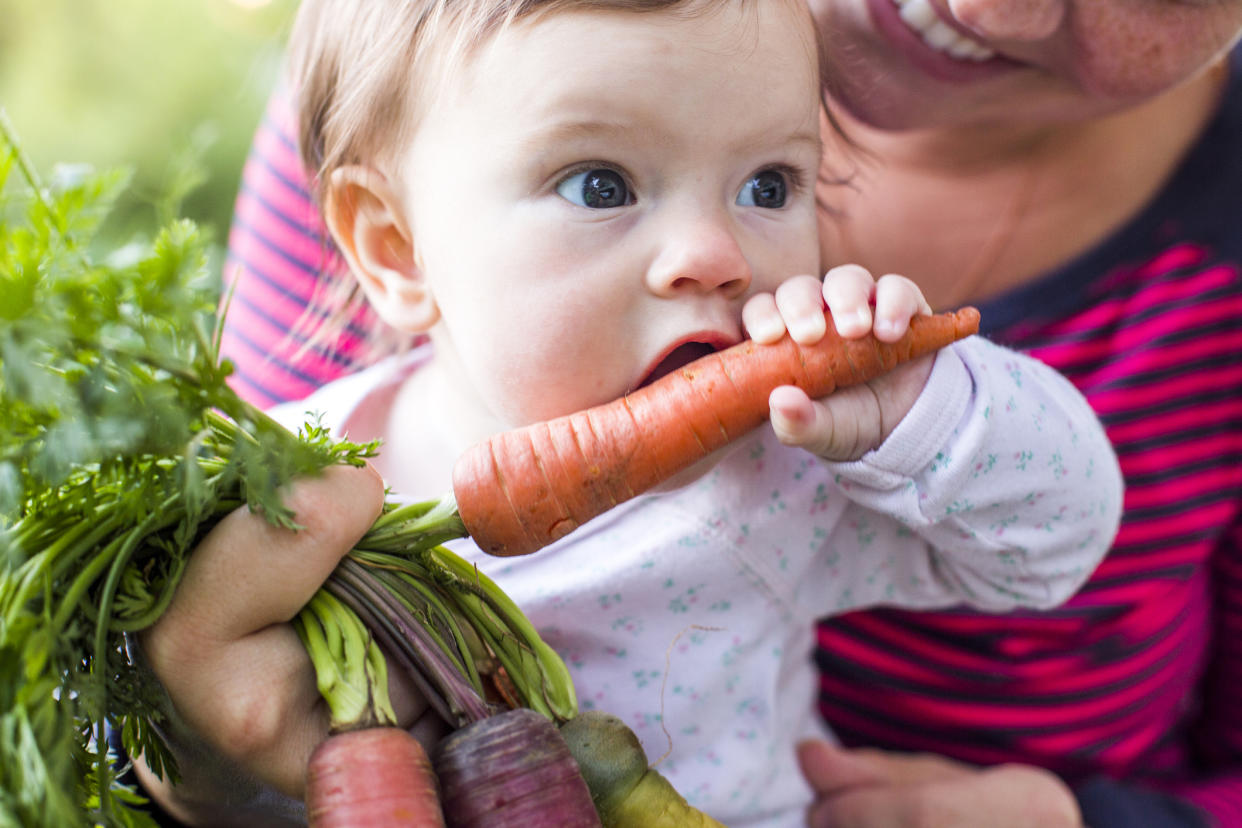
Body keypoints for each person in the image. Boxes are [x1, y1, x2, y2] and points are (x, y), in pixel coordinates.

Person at [220, 1, 1242, 825]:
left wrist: (922, 410)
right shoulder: (299, 474)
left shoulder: (773, 479)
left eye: (769, 183)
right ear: (395, 249)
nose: (718, 254)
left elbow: (1052, 545)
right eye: (600, 184)